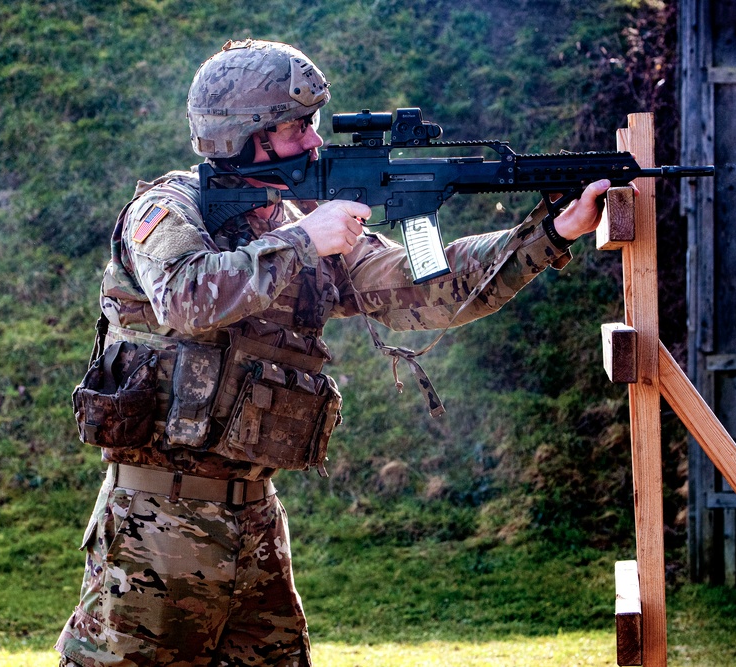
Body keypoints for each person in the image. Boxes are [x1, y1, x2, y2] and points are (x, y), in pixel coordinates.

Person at [55, 38, 611, 667]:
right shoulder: (169, 208)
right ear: (244, 136)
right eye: (296, 127)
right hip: (156, 524)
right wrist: (301, 241)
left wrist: (548, 233)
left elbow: (419, 291)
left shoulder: (303, 219)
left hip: (256, 522)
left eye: (313, 124)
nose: (314, 141)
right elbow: (185, 297)